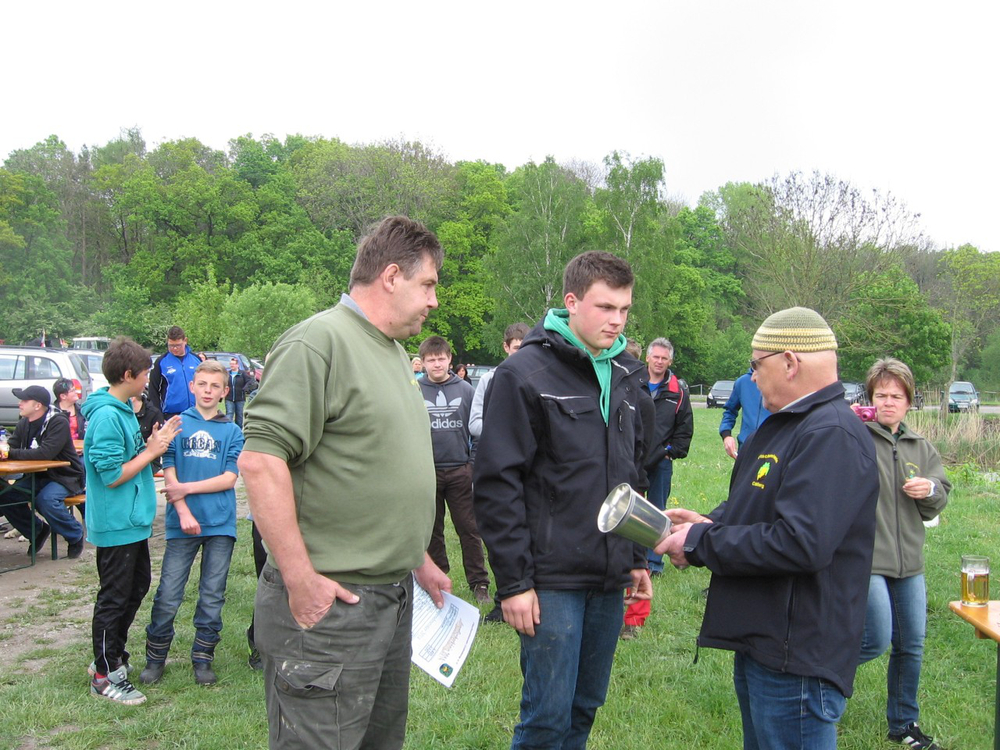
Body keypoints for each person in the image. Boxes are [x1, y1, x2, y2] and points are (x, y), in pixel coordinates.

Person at [238, 215, 452, 750]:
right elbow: (261, 462)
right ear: (391, 276)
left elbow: (374, 464)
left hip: (389, 599)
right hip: (331, 607)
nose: (434, 301)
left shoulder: (393, 352)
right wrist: (299, 579)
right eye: (428, 285)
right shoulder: (318, 342)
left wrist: (417, 558)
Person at [656, 307, 880, 750]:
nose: (752, 378)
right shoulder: (788, 426)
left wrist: (701, 542)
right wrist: (712, 522)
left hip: (796, 657)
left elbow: (801, 543)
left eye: (757, 365)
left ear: (790, 362)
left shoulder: (831, 433)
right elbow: (761, 503)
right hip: (766, 643)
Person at [473, 250, 653, 749]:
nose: (616, 320)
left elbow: (630, 475)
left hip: (609, 575)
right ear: (571, 302)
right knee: (547, 718)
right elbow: (497, 484)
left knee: (584, 707)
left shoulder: (625, 373)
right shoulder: (524, 374)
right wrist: (514, 584)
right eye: (605, 307)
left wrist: (636, 556)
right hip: (550, 580)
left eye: (624, 309)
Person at [856, 358, 950, 750]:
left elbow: (938, 498)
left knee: (911, 644)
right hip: (868, 558)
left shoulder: (920, 447)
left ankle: (903, 724)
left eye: (896, 396)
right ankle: (815, 681)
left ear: (909, 402)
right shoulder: (856, 437)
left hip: (910, 561)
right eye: (881, 395)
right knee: (876, 637)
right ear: (870, 399)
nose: (888, 403)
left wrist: (930, 489)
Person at [82, 336, 182, 705]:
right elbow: (111, 475)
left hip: (132, 521)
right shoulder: (107, 416)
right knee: (114, 598)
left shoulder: (124, 409)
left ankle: (112, 656)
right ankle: (105, 675)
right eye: (144, 374)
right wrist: (151, 452)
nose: (147, 380)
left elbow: (128, 458)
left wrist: (153, 444)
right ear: (128, 375)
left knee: (135, 586)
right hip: (116, 523)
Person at [139, 359, 245, 687]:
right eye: (202, 385)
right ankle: (155, 657)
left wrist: (187, 488)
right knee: (169, 592)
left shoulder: (232, 431)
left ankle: (203, 657)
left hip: (220, 524)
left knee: (212, 594)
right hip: (181, 523)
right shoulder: (177, 424)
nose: (208, 391)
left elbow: (229, 478)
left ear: (225, 392)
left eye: (215, 386)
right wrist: (183, 509)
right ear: (192, 387)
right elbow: (168, 468)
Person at [418, 335, 490, 606]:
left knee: (469, 530)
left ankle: (479, 583)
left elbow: (478, 429)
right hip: (428, 472)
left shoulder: (465, 390)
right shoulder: (415, 390)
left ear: (450, 360)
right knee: (432, 532)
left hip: (460, 470)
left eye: (441, 359)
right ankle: (438, 581)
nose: (437, 364)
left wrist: (472, 464)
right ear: (423, 362)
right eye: (431, 360)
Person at [468, 321, 529, 624]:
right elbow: (474, 423)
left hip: (529, 469)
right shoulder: (489, 380)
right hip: (497, 466)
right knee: (499, 531)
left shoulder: (538, 378)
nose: (522, 353)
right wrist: (505, 431)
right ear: (506, 347)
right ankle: (503, 598)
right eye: (517, 348)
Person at [0, 385, 86, 558]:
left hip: (65, 476)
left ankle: (75, 534)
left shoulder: (58, 422)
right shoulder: (24, 422)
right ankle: (37, 531)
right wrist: (4, 450)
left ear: (37, 405)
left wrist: (10, 453)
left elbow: (45, 453)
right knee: (7, 496)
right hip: (37, 475)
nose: (20, 403)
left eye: (24, 400)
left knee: (46, 500)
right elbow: (13, 445)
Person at [642, 337, 693, 576]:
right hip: (632, 458)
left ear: (670, 361)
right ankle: (630, 559)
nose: (659, 361)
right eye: (656, 357)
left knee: (657, 512)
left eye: (664, 358)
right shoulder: (633, 383)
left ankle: (654, 563)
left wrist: (670, 452)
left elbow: (685, 427)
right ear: (647, 358)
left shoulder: (677, 391)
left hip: (661, 461)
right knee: (629, 510)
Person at [148, 326, 201, 419]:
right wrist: (158, 415)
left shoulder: (196, 360)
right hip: (171, 415)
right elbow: (153, 390)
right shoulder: (161, 362)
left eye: (178, 345)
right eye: (171, 346)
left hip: (196, 412)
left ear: (185, 341)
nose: (175, 349)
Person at [719, 367, 771, 460]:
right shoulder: (742, 382)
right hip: (746, 448)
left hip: (772, 448)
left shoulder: (780, 381)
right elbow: (730, 411)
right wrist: (726, 435)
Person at [224, 357, 255, 428]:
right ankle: (229, 429)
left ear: (237, 365)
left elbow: (250, 381)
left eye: (233, 364)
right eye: (231, 364)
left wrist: (245, 388)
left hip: (240, 398)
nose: (232, 365)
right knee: (229, 414)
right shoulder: (227, 374)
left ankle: (238, 430)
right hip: (229, 397)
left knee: (239, 415)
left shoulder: (242, 373)